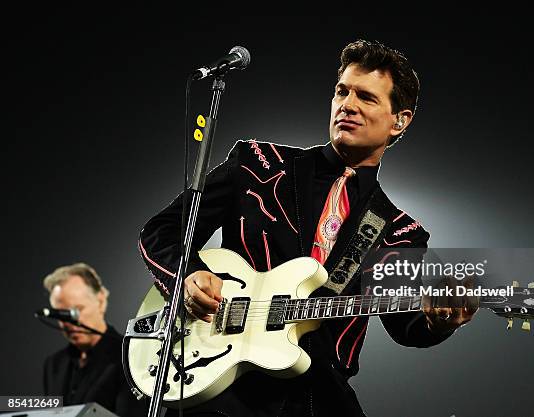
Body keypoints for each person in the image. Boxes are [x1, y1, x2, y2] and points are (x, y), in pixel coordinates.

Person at [139, 39, 477, 416]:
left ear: (400, 120)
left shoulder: (400, 231)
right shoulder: (258, 164)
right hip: (224, 385)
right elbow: (162, 229)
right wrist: (188, 276)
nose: (347, 104)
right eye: (341, 91)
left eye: (366, 97)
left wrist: (441, 320)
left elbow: (406, 325)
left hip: (317, 395)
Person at [42, 263, 147, 416]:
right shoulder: (53, 365)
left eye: (77, 310)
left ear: (101, 301)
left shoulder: (131, 357)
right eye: (60, 314)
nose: (70, 323)